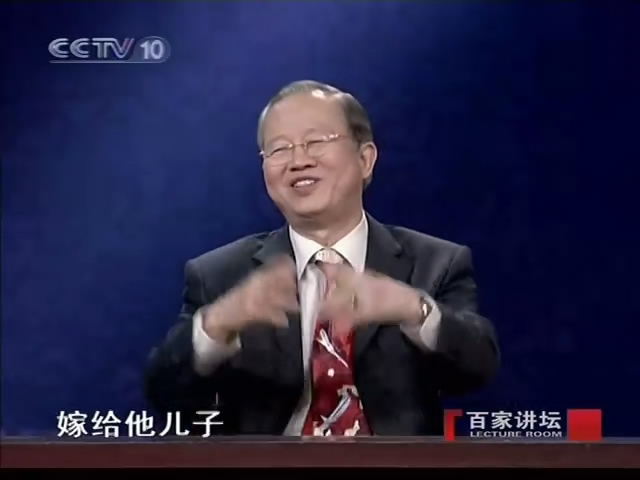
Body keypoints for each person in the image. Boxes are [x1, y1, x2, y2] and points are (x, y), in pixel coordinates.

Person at [143, 80, 500, 436]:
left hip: (394, 465)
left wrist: (415, 311)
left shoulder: (435, 263)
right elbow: (166, 394)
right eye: (279, 149)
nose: (299, 161)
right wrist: (216, 326)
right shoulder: (220, 274)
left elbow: (477, 368)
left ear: (365, 159)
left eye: (316, 142)